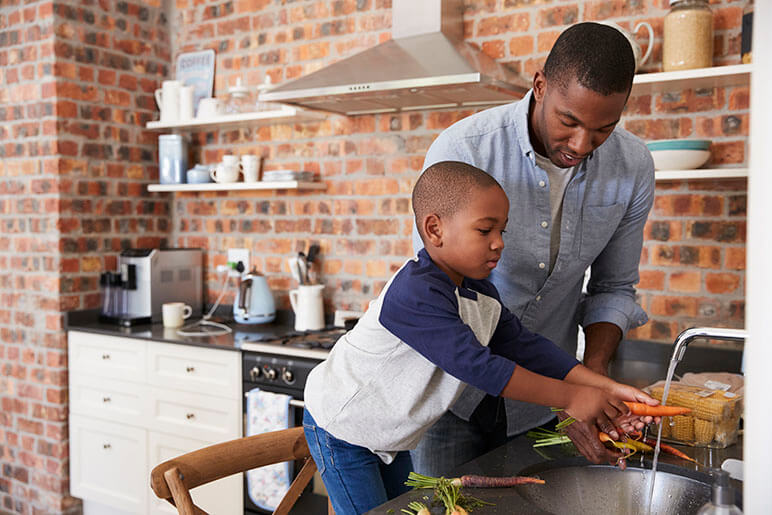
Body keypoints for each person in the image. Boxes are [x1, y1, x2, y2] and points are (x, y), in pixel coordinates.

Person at [303, 161, 657, 515]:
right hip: (343, 430)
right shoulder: (415, 292)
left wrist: (604, 387)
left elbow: (524, 346)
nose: (499, 243)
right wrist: (574, 396)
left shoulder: (479, 293)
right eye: (485, 230)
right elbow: (480, 367)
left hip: (385, 435)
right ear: (435, 230)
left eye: (502, 230)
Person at [411, 22, 656, 475]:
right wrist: (571, 393)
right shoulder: (464, 150)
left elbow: (614, 287)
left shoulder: (633, 166)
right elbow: (443, 295)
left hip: (544, 406)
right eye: (569, 121)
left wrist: (594, 380)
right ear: (540, 85)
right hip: (451, 399)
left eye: (604, 128)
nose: (581, 145)